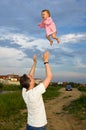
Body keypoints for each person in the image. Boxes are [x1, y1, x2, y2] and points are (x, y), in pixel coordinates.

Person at [20, 51, 53, 130]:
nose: (32, 77)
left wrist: (35, 63)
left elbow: (30, 75)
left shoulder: (24, 91)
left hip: (30, 124)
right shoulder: (35, 92)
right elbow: (49, 77)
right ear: (30, 82)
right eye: (31, 78)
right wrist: (46, 61)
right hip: (38, 127)